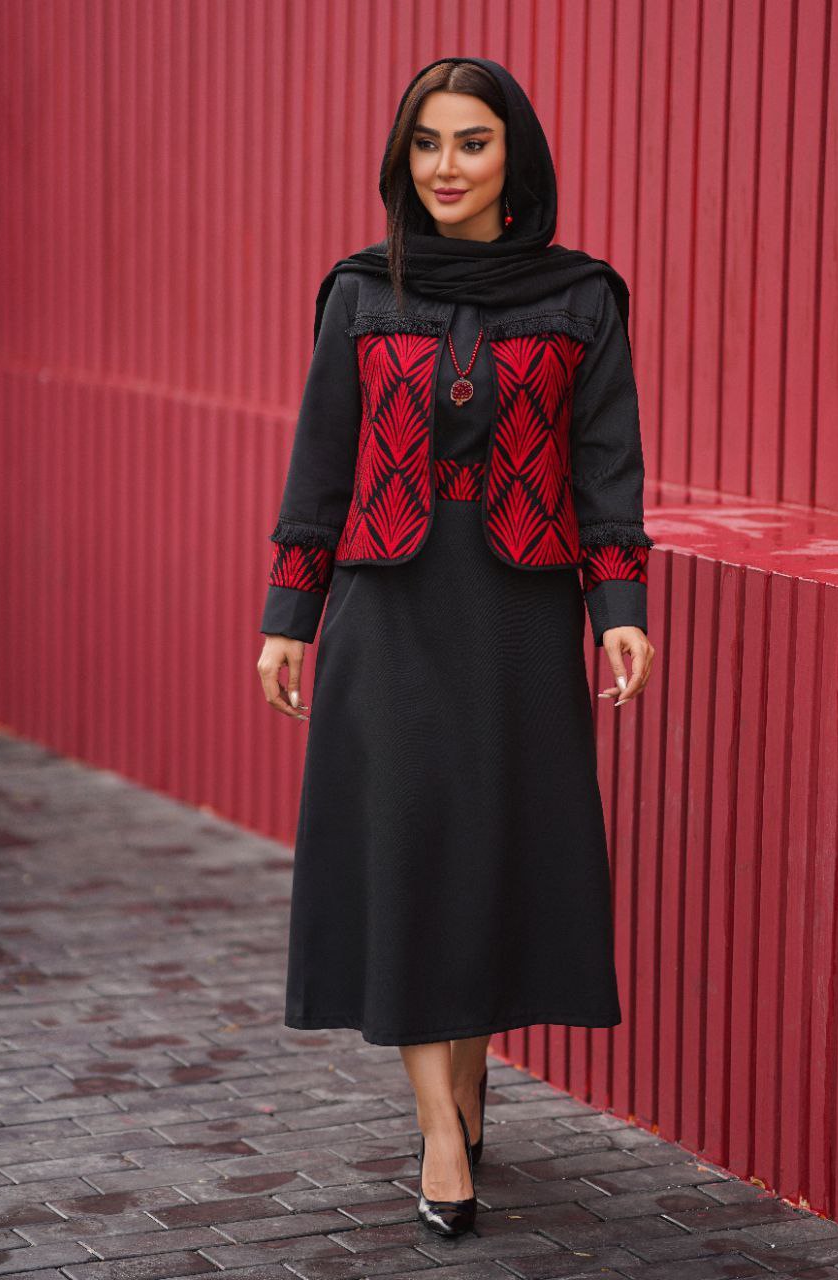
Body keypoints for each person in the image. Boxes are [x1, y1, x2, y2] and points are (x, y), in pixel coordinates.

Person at [256, 55, 656, 1237]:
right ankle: (441, 1129)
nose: (446, 166)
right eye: (426, 143)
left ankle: (468, 1081)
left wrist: (619, 605)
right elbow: (321, 460)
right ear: (402, 158)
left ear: (511, 157)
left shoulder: (581, 297)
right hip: (385, 610)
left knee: (484, 857)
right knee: (406, 853)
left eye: (470, 142)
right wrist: (288, 615)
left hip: (518, 615)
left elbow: (607, 463)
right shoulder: (358, 291)